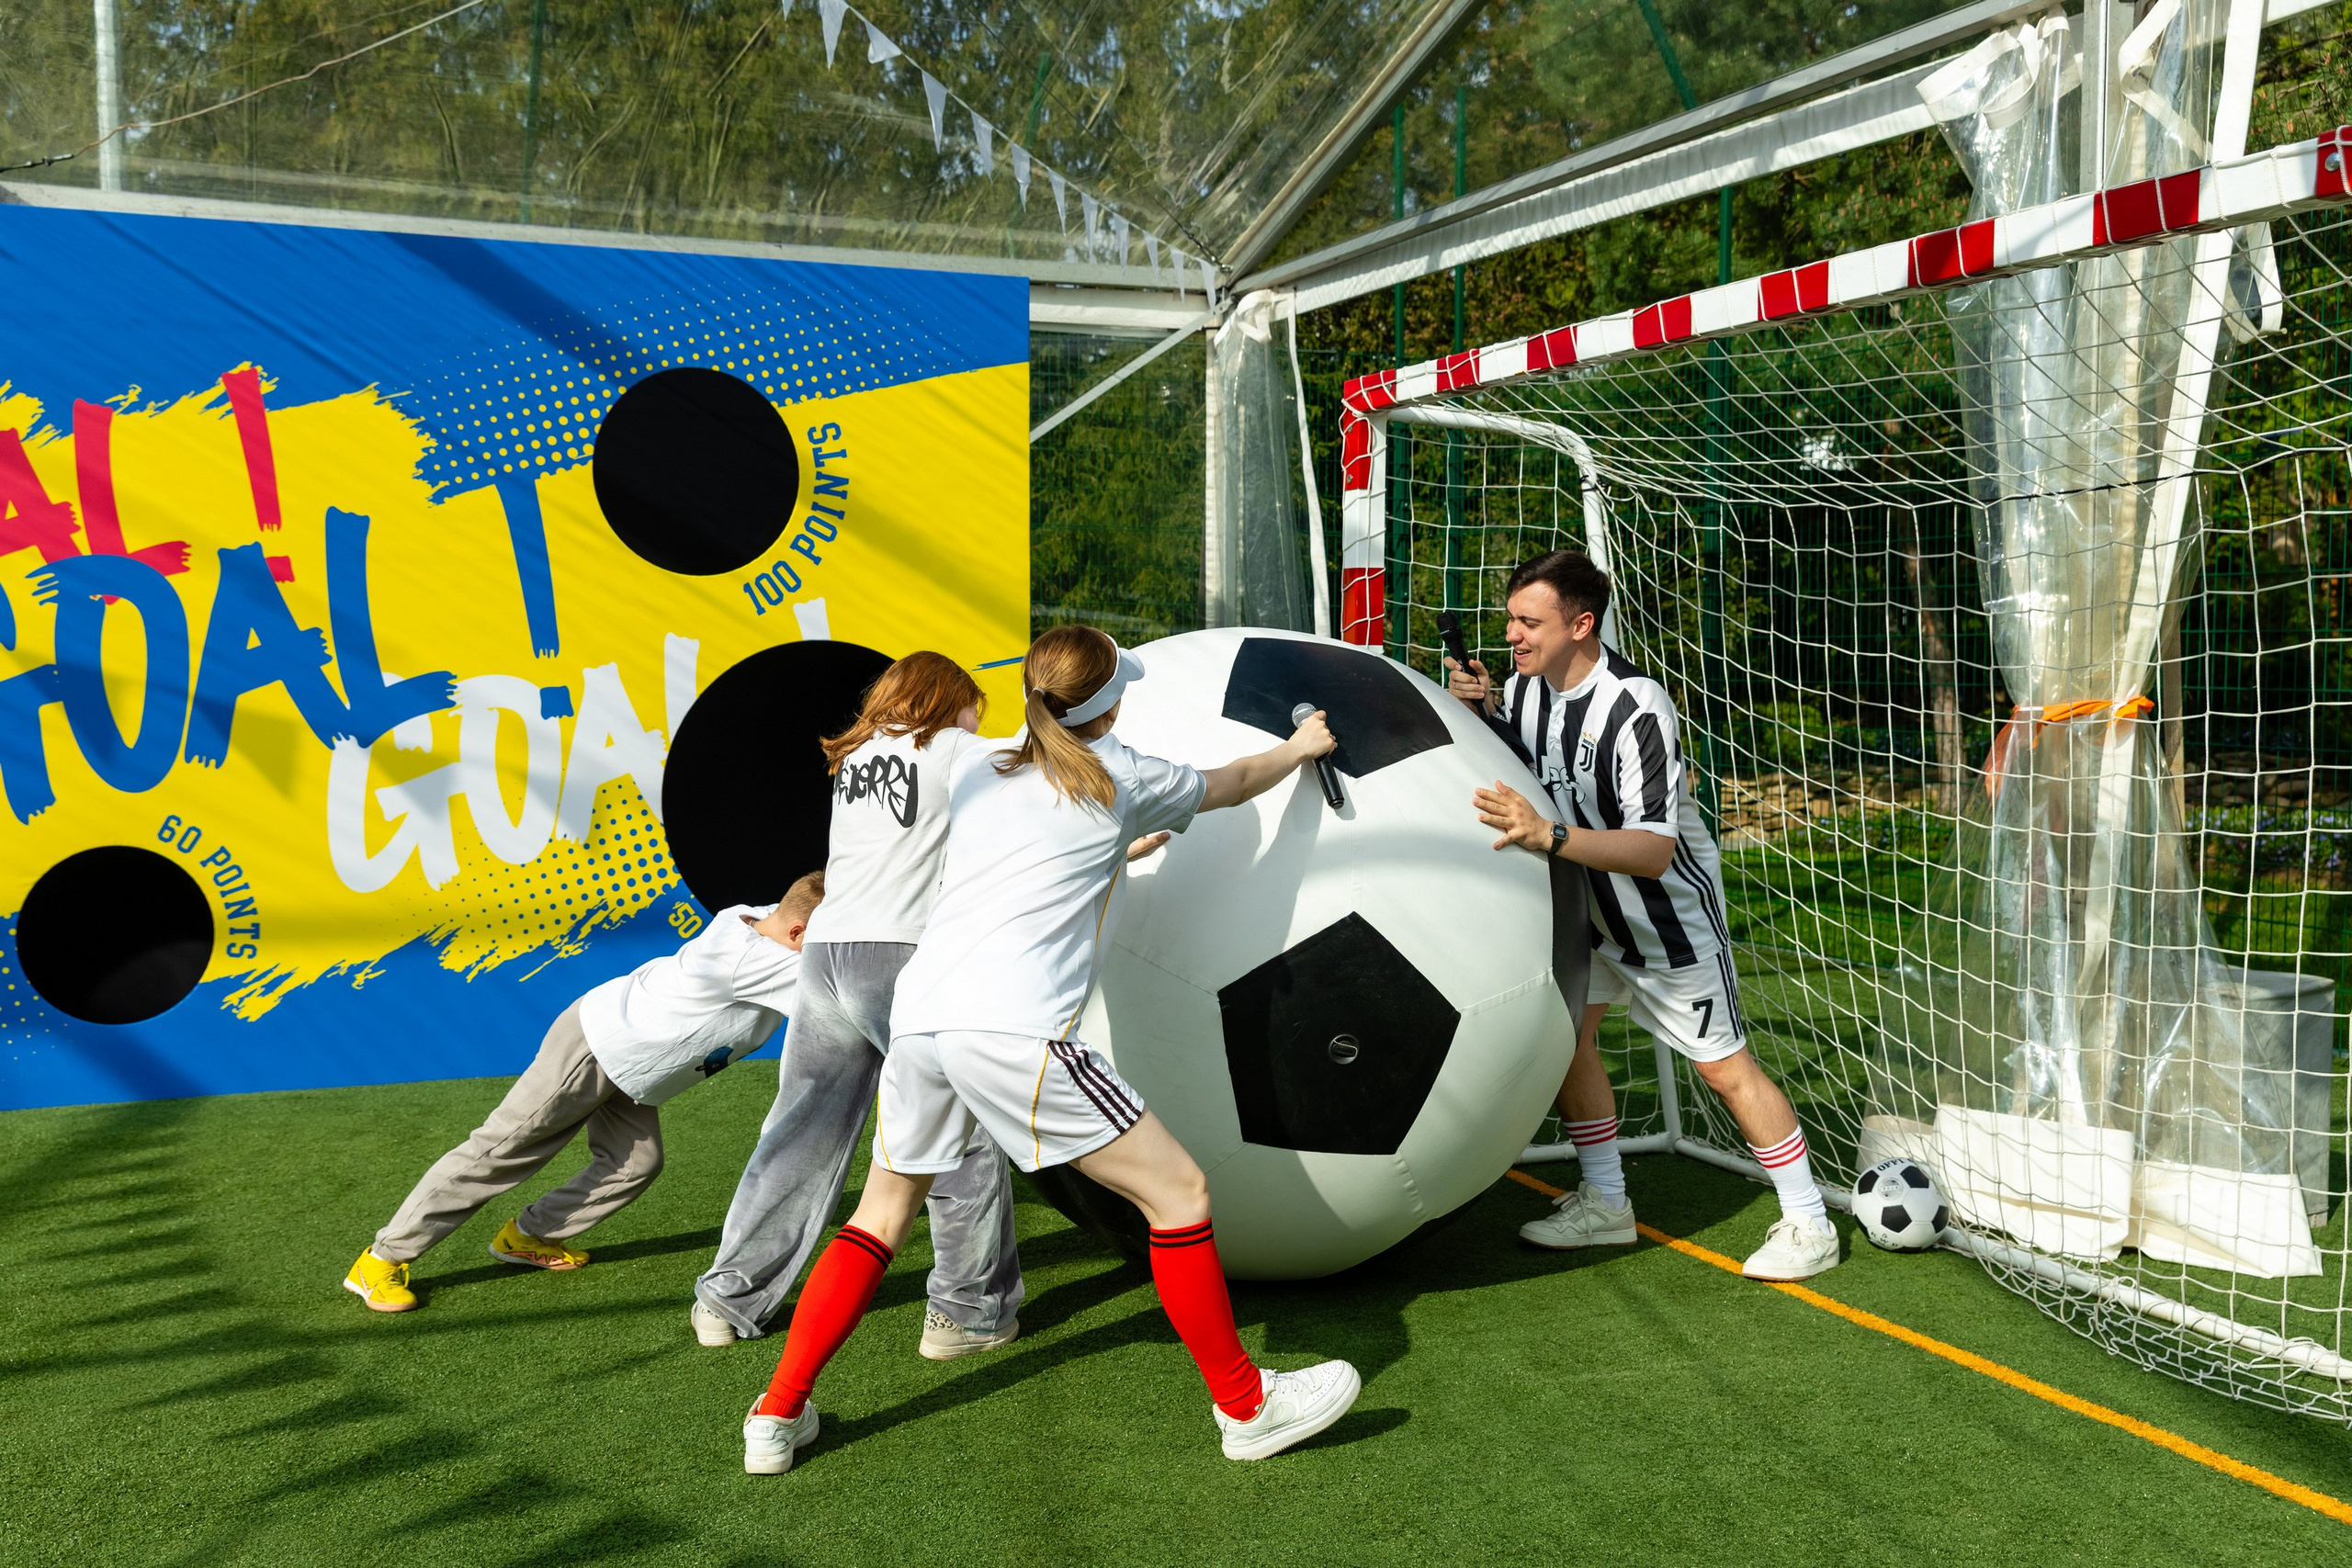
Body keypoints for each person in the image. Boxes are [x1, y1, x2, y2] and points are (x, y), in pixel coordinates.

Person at [738, 626, 1363, 1474]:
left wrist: (1115, 847)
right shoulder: (1124, 776)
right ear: (1111, 705)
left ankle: (776, 1414)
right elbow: (1233, 783)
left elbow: (1027, 853)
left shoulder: (983, 770)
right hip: (1012, 1027)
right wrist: (1301, 747)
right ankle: (1247, 1407)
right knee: (1180, 1191)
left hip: (923, 1016)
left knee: (878, 1214)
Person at [1446, 549, 1839, 1282]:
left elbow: (1655, 850)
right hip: (1584, 915)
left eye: (1528, 622)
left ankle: (1809, 1220)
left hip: (1666, 923)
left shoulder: (1636, 707)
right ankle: (1607, 1201)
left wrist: (1551, 836)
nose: (1511, 635)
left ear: (1582, 624)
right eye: (1509, 620)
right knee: (1570, 1045)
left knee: (1725, 1071)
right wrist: (1484, 714)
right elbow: (1538, 768)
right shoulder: (1528, 690)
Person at [692, 651, 1031, 1358]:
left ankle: (728, 1296)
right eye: (973, 705)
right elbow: (1052, 759)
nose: (978, 719)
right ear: (949, 702)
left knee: (801, 1131)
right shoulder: (954, 747)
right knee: (958, 1130)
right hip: (900, 959)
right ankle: (968, 1311)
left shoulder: (859, 759)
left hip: (827, 956)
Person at [344, 873, 825, 1312]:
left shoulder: (756, 917)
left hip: (632, 1064)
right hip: (596, 1050)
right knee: (499, 1151)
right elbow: (846, 990)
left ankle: (527, 1235)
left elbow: (808, 902)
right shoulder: (763, 961)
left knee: (634, 1164)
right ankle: (382, 1259)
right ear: (798, 935)